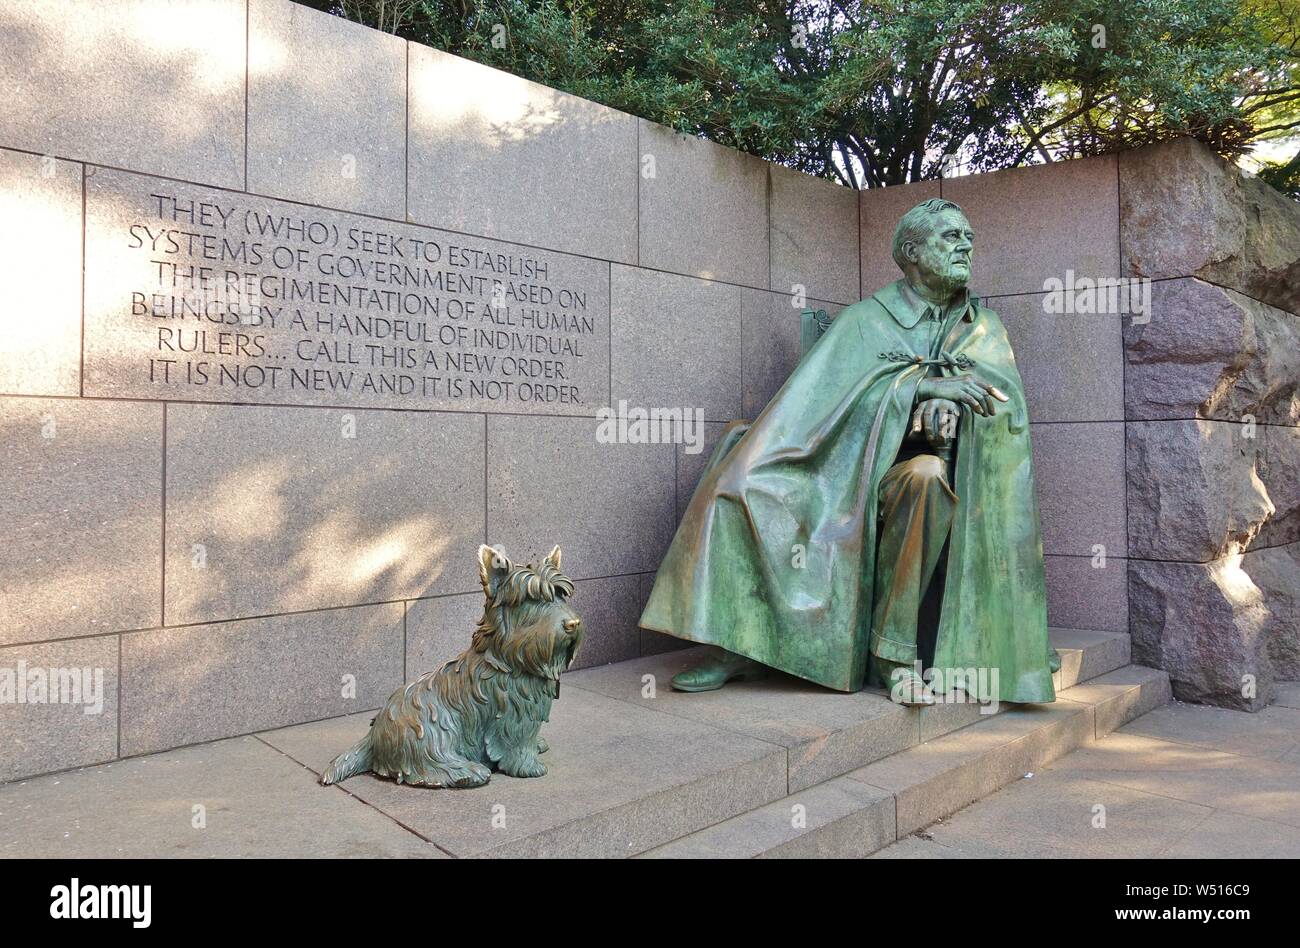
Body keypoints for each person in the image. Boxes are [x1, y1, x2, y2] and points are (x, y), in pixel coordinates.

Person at [639, 198, 1059, 706]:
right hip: (837, 466)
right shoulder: (866, 319)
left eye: (968, 236)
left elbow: (1003, 412)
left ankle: (894, 656)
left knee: (925, 478)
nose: (966, 245)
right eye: (950, 237)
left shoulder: (983, 327)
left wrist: (944, 418)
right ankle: (740, 639)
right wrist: (917, 392)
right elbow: (815, 404)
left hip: (919, 471)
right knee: (741, 481)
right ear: (911, 252)